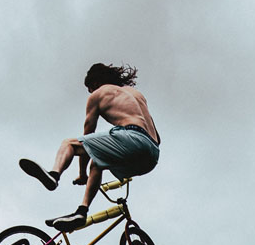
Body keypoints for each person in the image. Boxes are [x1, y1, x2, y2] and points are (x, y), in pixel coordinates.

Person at [19, 62, 160, 231]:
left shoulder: (99, 94)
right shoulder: (136, 95)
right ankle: (82, 211)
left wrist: (82, 174)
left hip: (133, 138)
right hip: (152, 154)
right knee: (98, 161)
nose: (90, 93)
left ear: (95, 83)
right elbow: (157, 137)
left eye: (90, 89)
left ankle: (54, 175)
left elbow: (86, 137)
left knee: (69, 143)